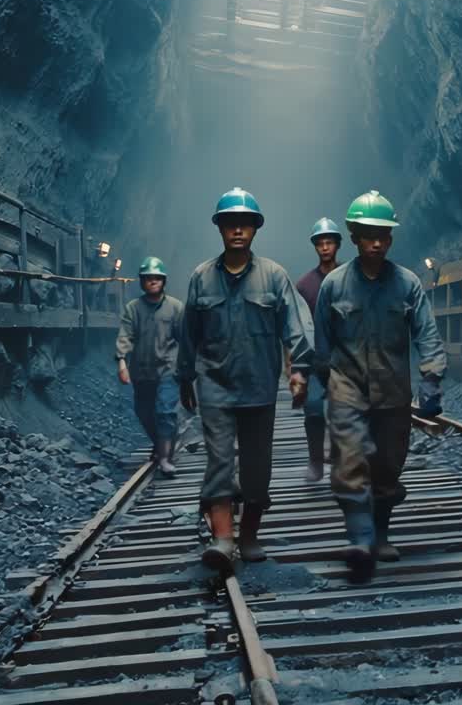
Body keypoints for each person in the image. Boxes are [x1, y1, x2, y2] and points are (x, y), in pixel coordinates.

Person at [178, 187, 313, 570]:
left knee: (257, 468)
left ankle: (250, 534)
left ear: (255, 228)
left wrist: (299, 370)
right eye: (230, 223)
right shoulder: (202, 278)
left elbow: (295, 326)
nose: (238, 230)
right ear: (220, 228)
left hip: (259, 387)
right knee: (219, 461)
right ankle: (223, 539)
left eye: (245, 224)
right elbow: (188, 334)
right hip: (215, 386)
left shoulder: (273, 276)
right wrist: (185, 377)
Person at [315, 190, 446, 583]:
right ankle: (360, 538)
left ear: (391, 238)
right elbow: (322, 341)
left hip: (392, 390)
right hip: (347, 387)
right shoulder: (334, 285)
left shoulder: (407, 284)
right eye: (369, 235)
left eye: (383, 235)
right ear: (354, 236)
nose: (376, 243)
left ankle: (381, 532)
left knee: (388, 466)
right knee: (350, 462)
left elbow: (426, 332)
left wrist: (432, 376)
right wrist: (324, 384)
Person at [115, 256, 184, 477]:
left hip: (168, 368)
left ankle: (165, 459)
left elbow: (185, 338)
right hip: (142, 371)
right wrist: (122, 361)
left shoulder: (175, 307)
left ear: (164, 281)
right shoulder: (133, 309)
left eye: (157, 278)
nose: (153, 281)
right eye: (148, 278)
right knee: (144, 412)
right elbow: (125, 335)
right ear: (142, 281)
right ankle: (162, 443)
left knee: (165, 411)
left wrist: (190, 367)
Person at [295, 217, 343, 482]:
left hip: (344, 359)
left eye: (329, 242)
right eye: (320, 243)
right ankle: (315, 461)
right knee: (313, 408)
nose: (325, 247)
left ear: (337, 244)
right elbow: (297, 325)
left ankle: (338, 458)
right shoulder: (304, 285)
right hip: (314, 360)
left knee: (343, 411)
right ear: (315, 246)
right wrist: (296, 366)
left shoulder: (350, 278)